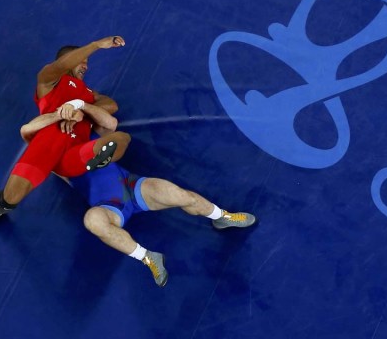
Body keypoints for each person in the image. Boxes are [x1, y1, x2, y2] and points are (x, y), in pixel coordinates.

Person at [18, 105, 257, 287]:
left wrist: (79, 105)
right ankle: (148, 257)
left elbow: (110, 122)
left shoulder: (89, 133)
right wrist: (57, 115)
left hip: (133, 187)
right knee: (92, 221)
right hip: (108, 206)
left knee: (182, 196)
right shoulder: (51, 159)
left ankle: (222, 216)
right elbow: (26, 131)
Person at [0, 36, 131, 237]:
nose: (85, 66)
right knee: (12, 196)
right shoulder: (49, 80)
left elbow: (111, 104)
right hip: (48, 144)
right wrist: (95, 46)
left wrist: (81, 108)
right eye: (82, 61)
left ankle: (97, 161)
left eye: (87, 63)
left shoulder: (89, 93)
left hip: (74, 154)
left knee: (122, 138)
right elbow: (60, 66)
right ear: (68, 60)